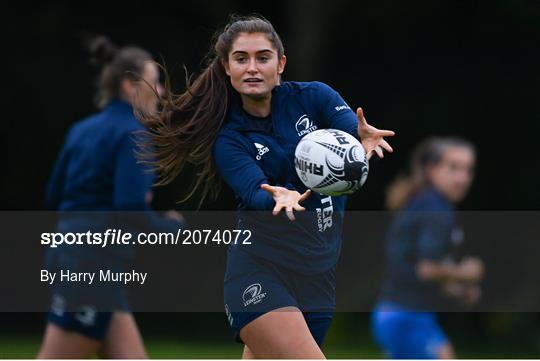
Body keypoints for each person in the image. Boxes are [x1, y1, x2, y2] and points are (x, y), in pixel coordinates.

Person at [139, 15, 394, 359]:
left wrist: (360, 138)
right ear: (227, 68)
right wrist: (276, 195)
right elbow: (253, 191)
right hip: (260, 272)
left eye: (263, 57)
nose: (252, 67)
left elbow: (347, 141)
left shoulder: (315, 97)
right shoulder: (230, 139)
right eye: (241, 59)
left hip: (318, 276)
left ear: (281, 63)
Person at [38, 36, 183, 358]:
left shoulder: (81, 129)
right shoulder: (136, 133)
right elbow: (129, 208)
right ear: (131, 87)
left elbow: (53, 195)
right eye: (155, 83)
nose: (161, 92)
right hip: (92, 263)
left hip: (71, 253)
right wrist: (168, 228)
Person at [372, 137, 484, 359]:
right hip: (408, 316)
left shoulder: (424, 202)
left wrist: (457, 289)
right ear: (433, 170)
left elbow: (413, 269)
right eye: (453, 168)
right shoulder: (435, 210)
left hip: (396, 313)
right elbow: (427, 269)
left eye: (468, 170)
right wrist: (466, 274)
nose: (462, 178)